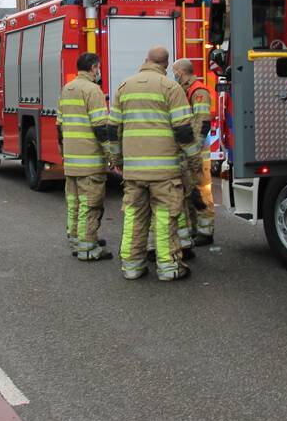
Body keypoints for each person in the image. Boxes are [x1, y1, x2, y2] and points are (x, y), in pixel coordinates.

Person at [107, 46, 202, 281]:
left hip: (134, 171)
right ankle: (169, 267)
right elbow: (184, 131)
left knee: (134, 217)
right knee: (165, 217)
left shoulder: (124, 87)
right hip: (164, 172)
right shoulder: (171, 88)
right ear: (166, 65)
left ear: (146, 60)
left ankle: (132, 266)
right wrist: (194, 162)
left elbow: (113, 129)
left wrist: (117, 159)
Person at [56, 52, 113, 262]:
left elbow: (59, 125)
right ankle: (88, 248)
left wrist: (63, 150)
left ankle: (76, 240)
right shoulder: (93, 90)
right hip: (90, 160)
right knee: (90, 205)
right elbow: (100, 127)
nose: (99, 72)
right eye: (98, 68)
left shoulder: (67, 88)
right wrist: (112, 154)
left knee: (74, 204)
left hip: (72, 159)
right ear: (93, 67)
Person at [172, 58, 215, 247]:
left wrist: (194, 151)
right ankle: (194, 228)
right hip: (189, 152)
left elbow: (202, 122)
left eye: (175, 72)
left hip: (197, 153)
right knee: (189, 192)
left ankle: (206, 231)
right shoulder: (185, 90)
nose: (174, 75)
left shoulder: (199, 92)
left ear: (181, 72)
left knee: (200, 192)